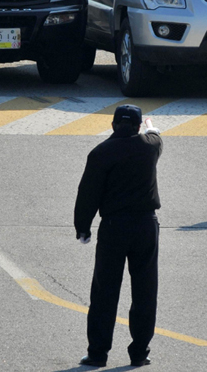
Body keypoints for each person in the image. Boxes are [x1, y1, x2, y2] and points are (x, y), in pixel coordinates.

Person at [74, 105, 162, 368]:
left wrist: (83, 227)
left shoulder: (100, 153)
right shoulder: (150, 147)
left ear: (112, 125)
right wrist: (150, 125)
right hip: (146, 226)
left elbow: (87, 193)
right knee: (145, 291)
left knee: (105, 291)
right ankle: (140, 353)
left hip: (114, 227)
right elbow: (155, 134)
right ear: (136, 127)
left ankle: (98, 353)